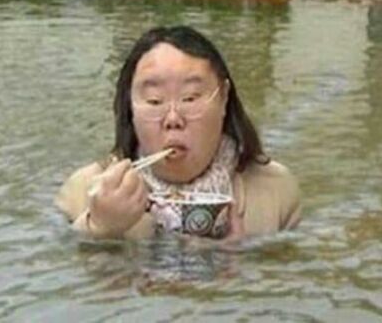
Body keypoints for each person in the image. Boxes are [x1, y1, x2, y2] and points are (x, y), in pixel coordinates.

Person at [55, 26, 300, 240]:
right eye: (154, 101)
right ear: (130, 107)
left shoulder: (276, 191)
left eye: (190, 98)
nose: (173, 119)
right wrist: (99, 228)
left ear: (224, 98)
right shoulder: (85, 190)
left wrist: (237, 264)